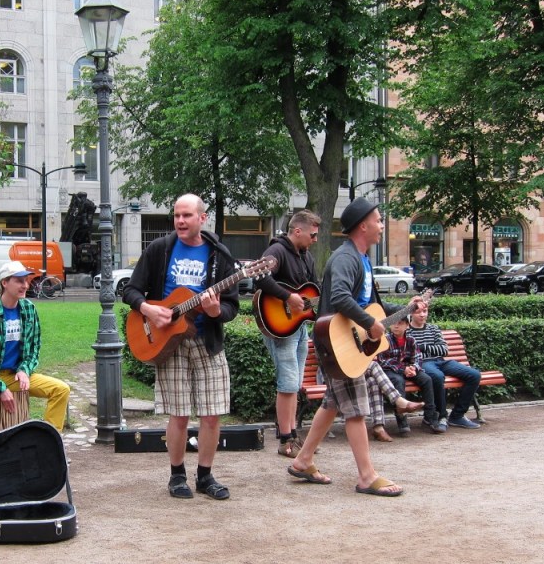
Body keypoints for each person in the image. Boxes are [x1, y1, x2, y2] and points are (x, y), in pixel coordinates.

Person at [286, 197, 427, 496]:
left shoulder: (361, 259)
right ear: (363, 225)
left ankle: (303, 460)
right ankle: (366, 476)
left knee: (332, 404)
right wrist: (368, 322)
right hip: (338, 345)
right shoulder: (346, 258)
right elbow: (338, 297)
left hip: (344, 345)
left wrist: (406, 308)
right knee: (356, 412)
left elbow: (371, 307)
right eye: (378, 220)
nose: (381, 225)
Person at [121, 193, 239, 501]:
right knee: (179, 414)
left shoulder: (220, 255)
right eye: (176, 215)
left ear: (203, 218)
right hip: (169, 342)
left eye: (187, 215)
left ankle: (205, 475)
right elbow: (130, 290)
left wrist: (215, 312)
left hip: (206, 341)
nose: (180, 221)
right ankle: (176, 475)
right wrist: (147, 309)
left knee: (212, 414)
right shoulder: (160, 250)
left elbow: (231, 307)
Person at [0, 261, 71, 437]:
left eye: (26, 281)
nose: (25, 285)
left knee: (61, 389)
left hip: (14, 375)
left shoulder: (29, 309)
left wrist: (24, 369)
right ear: (4, 283)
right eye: (19, 281)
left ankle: (49, 442)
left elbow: (34, 348)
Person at [253, 209, 321, 458]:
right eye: (312, 235)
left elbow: (314, 291)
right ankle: (284, 440)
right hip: (280, 326)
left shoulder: (306, 257)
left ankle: (292, 433)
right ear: (297, 231)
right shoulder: (277, 251)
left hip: (299, 326)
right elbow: (259, 277)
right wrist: (288, 297)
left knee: (295, 383)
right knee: (288, 382)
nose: (315, 239)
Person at [406, 302, 482, 429]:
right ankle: (441, 416)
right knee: (437, 376)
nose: (422, 315)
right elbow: (410, 351)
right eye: (418, 312)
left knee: (474, 375)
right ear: (411, 313)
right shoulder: (407, 331)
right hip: (423, 363)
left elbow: (443, 350)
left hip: (441, 361)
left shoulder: (433, 328)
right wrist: (428, 349)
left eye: (425, 311)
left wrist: (422, 347)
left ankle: (457, 416)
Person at [375, 317, 442, 435]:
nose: (396, 325)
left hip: (408, 369)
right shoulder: (385, 340)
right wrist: (403, 369)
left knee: (426, 379)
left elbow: (417, 357)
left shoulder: (411, 340)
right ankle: (402, 420)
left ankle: (429, 418)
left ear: (407, 325)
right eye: (394, 323)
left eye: (400, 323)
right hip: (390, 370)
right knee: (398, 380)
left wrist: (414, 368)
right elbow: (383, 360)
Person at [364, 360, 427, 441]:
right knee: (373, 365)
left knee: (373, 381)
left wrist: (413, 367)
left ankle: (378, 428)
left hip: (358, 370)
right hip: (346, 372)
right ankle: (400, 402)